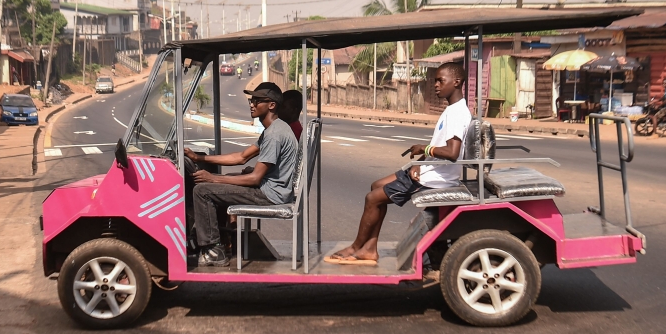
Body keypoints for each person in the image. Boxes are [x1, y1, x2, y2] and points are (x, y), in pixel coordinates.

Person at [325, 63, 471, 266]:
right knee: (376, 186)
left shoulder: (457, 113)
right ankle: (369, 248)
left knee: (372, 198)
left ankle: (356, 246)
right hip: (431, 171)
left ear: (457, 82)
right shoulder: (452, 109)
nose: (436, 85)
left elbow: (452, 152)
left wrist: (423, 149)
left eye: (440, 80)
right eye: (435, 80)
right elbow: (440, 147)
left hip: (436, 179)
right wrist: (419, 163)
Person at [186, 82, 299, 267]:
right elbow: (240, 157)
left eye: (257, 100)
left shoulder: (274, 135)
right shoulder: (273, 129)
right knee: (220, 183)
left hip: (270, 195)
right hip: (271, 189)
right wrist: (198, 157)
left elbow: (255, 178)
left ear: (271, 105)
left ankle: (213, 250)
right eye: (251, 100)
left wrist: (212, 178)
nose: (252, 104)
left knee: (202, 190)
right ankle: (222, 240)